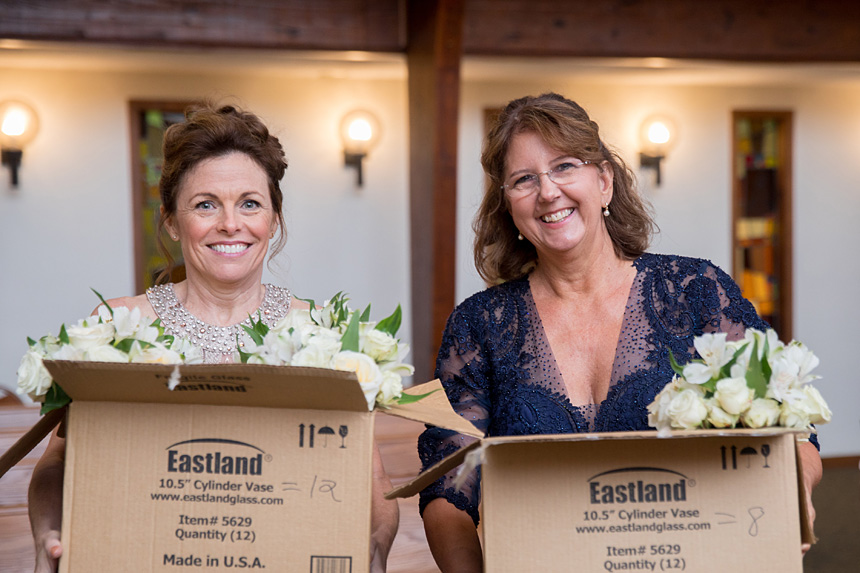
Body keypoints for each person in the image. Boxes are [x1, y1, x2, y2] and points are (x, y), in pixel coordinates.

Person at [417, 93, 822, 571]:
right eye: (524, 179)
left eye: (565, 166)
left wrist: (792, 496)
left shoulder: (695, 292)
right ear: (508, 206)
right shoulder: (478, 325)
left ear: (604, 180)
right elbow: (448, 486)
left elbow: (793, 429)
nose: (548, 192)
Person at [27, 101, 399, 572]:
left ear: (274, 219)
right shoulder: (117, 327)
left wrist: (376, 548)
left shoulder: (324, 334)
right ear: (171, 220)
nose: (230, 224)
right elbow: (58, 465)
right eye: (206, 204)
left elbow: (374, 485)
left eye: (249, 203)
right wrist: (48, 537)